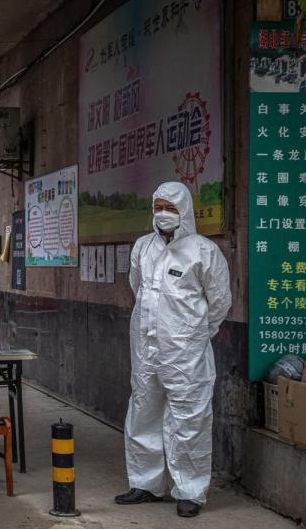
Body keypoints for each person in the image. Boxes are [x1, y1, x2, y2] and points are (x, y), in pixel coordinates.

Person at [114, 182, 232, 518]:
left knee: (189, 419)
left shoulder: (203, 251)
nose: (163, 214)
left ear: (184, 210)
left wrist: (195, 334)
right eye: (158, 207)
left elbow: (220, 302)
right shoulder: (142, 248)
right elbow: (137, 287)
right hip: (146, 347)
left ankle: (190, 491)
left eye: (170, 207)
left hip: (186, 353)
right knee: (143, 413)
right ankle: (145, 483)